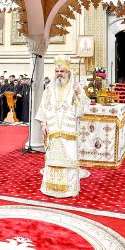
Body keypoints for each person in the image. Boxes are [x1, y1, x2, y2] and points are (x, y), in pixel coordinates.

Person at [35, 55, 84, 198]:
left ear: (68, 71)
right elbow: (43, 106)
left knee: (69, 160)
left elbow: (82, 109)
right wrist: (43, 123)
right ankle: (50, 188)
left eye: (62, 71)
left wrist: (79, 94)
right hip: (53, 129)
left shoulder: (76, 87)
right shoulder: (50, 88)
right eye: (57, 71)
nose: (59, 74)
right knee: (52, 160)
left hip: (69, 131)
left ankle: (69, 189)